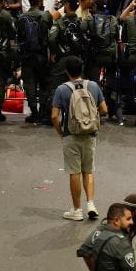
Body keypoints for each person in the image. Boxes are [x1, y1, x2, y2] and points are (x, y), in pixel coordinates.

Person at [52, 57, 107, 221]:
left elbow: (54, 116)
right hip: (90, 133)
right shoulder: (93, 86)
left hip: (71, 134)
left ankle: (77, 210)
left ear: (66, 71)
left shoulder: (61, 89)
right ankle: (91, 204)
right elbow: (104, 109)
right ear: (82, 69)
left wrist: (60, 132)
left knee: (74, 172)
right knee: (88, 170)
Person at [18, 0, 53, 125]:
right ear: (39, 2)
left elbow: (19, 37)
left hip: (27, 55)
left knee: (30, 84)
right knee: (44, 84)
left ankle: (34, 113)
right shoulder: (46, 16)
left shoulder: (22, 17)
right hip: (41, 55)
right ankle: (43, 111)